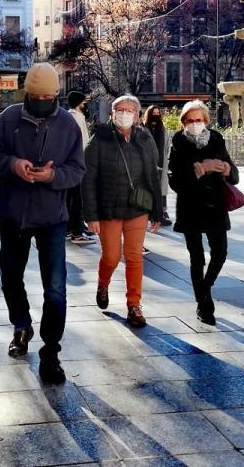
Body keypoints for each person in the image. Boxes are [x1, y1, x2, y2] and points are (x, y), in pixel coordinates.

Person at [0, 63, 85, 384]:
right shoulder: (9, 117)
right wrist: (14, 165)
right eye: (35, 94)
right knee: (10, 275)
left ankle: (51, 351)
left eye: (47, 95)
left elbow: (77, 170)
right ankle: (21, 324)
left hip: (52, 216)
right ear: (27, 92)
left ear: (55, 93)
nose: (41, 99)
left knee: (55, 287)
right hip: (13, 213)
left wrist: (53, 175)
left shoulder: (68, 124)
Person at [82, 95, 163, 328]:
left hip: (137, 207)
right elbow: (88, 180)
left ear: (138, 115)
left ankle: (134, 305)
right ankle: (103, 283)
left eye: (130, 110)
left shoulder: (145, 138)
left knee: (135, 257)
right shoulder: (99, 139)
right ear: (112, 113)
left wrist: (157, 210)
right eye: (120, 109)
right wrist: (91, 216)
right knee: (111, 256)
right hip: (108, 207)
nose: (124, 114)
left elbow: (152, 177)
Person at [168, 100, 238, 326]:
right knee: (196, 258)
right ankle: (204, 304)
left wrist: (227, 170)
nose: (195, 124)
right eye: (190, 120)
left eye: (198, 120)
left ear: (206, 121)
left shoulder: (216, 138)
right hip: (190, 207)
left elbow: (233, 171)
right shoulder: (178, 141)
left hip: (216, 205)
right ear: (183, 122)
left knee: (220, 253)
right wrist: (199, 169)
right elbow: (174, 180)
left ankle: (205, 289)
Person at [66, 91, 94, 245]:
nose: (86, 105)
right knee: (77, 198)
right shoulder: (76, 117)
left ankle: (71, 229)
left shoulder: (73, 116)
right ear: (78, 103)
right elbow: (83, 142)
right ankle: (76, 230)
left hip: (73, 163)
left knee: (72, 197)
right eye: (84, 102)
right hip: (78, 163)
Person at [143, 105, 172, 226]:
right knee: (148, 189)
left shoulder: (162, 128)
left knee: (161, 190)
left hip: (161, 163)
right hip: (147, 163)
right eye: (153, 113)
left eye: (157, 113)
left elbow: (166, 145)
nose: (156, 115)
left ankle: (162, 213)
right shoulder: (144, 128)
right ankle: (148, 214)